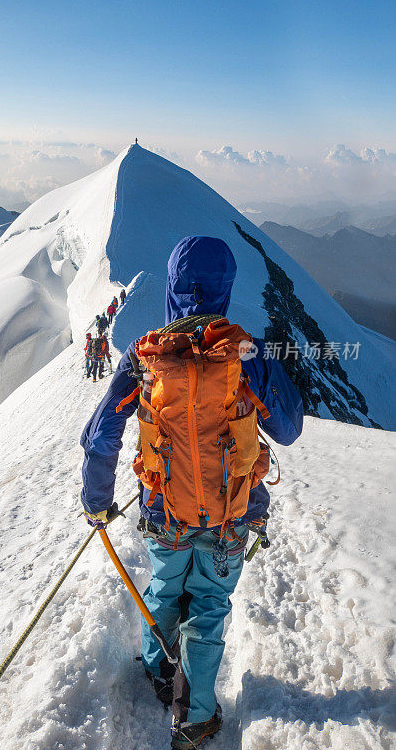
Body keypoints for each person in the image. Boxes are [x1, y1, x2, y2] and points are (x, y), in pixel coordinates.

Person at [80, 236, 303, 749]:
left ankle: (158, 670)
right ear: (227, 287)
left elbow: (101, 436)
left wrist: (96, 501)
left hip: (165, 511)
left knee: (163, 587)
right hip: (230, 515)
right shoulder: (245, 352)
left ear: (172, 285)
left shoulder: (147, 355)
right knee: (208, 607)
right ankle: (196, 718)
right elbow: (288, 427)